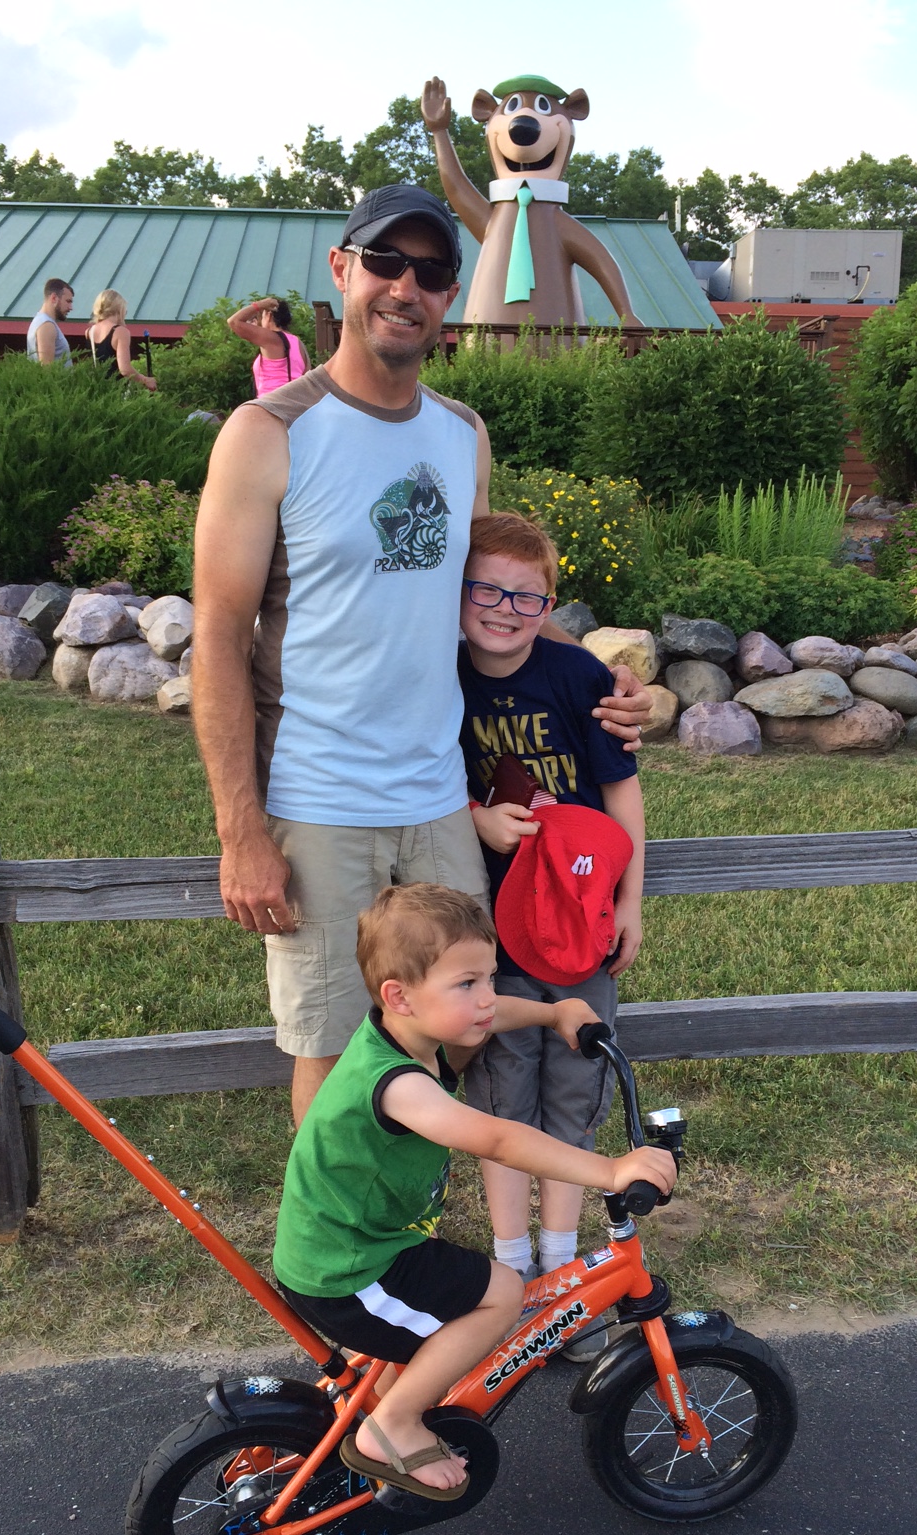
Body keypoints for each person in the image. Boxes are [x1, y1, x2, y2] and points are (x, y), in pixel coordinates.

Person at [191, 183, 650, 1130]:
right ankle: (331, 1229)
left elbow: (484, 604)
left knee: (451, 1030)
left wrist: (602, 681)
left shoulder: (460, 434)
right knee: (334, 1048)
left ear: (449, 296)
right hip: (320, 800)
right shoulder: (269, 433)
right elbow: (220, 635)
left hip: (442, 799)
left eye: (433, 271)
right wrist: (240, 831)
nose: (406, 287)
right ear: (342, 270)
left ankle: (410, 1211)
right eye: (386, 262)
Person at [272, 882, 675, 1497]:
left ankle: (385, 1407)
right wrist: (612, 1170)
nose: (487, 998)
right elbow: (498, 1140)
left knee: (456, 1298)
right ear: (399, 996)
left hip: (364, 1245)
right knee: (502, 1294)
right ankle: (392, 1426)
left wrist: (553, 1013)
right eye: (467, 983)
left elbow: (491, 1016)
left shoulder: (406, 1030)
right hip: (348, 1273)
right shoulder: (398, 1084)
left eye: (488, 977)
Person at [457, 511, 645, 1351]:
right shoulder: (437, 677)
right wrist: (476, 818)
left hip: (577, 923)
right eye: (486, 590)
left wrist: (630, 900)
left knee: (573, 1092)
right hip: (487, 931)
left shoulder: (577, 678)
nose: (504, 609)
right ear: (457, 592)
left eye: (526, 597)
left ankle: (562, 1276)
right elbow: (414, 774)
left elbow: (622, 793)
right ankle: (510, 1278)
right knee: (502, 1098)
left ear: (549, 605)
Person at [226, 296, 311, 396]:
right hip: (295, 401)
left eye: (262, 317)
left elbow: (233, 322)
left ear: (268, 315)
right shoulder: (299, 343)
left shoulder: (272, 338)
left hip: (272, 400)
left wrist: (259, 305)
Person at [86, 289, 157, 391]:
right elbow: (125, 370)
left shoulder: (89, 332)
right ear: (119, 309)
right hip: (117, 390)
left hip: (99, 389)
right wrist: (145, 380)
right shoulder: (120, 332)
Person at [26, 278, 74, 367]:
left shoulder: (41, 322)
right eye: (68, 301)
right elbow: (47, 368)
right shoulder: (46, 325)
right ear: (54, 298)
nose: (71, 307)